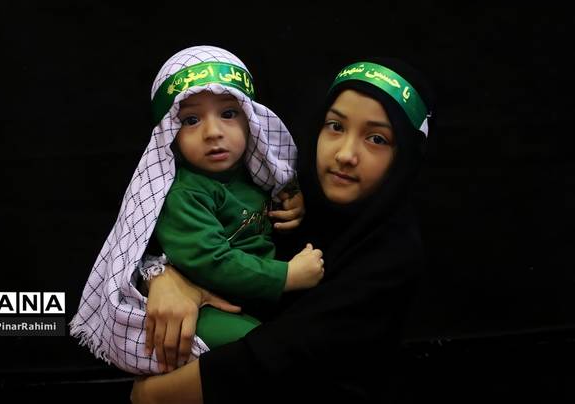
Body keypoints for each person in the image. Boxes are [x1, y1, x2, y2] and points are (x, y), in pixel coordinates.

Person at [131, 57, 436, 403]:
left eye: (377, 138)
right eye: (336, 126)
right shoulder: (289, 196)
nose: (346, 154)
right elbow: (194, 240)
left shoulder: (391, 254)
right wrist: (164, 277)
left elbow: (281, 354)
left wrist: (155, 395)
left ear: (404, 154)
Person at [69, 45, 320, 376]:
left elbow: (278, 190)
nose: (213, 132)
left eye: (228, 114)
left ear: (251, 120)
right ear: (171, 134)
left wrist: (293, 198)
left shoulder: (254, 174)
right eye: (191, 120)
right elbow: (212, 260)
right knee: (259, 348)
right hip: (207, 304)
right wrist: (286, 276)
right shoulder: (185, 193)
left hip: (256, 297)